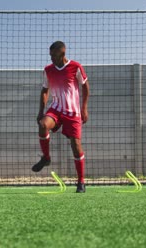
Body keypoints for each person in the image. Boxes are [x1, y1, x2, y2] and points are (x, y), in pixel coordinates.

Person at [32, 41, 90, 193]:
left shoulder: (75, 67)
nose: (51, 58)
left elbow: (85, 87)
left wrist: (84, 108)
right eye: (50, 55)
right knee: (43, 125)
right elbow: (45, 91)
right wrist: (41, 111)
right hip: (56, 109)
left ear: (62, 54)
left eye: (54, 55)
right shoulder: (48, 70)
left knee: (76, 146)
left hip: (73, 112)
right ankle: (46, 157)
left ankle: (81, 182)